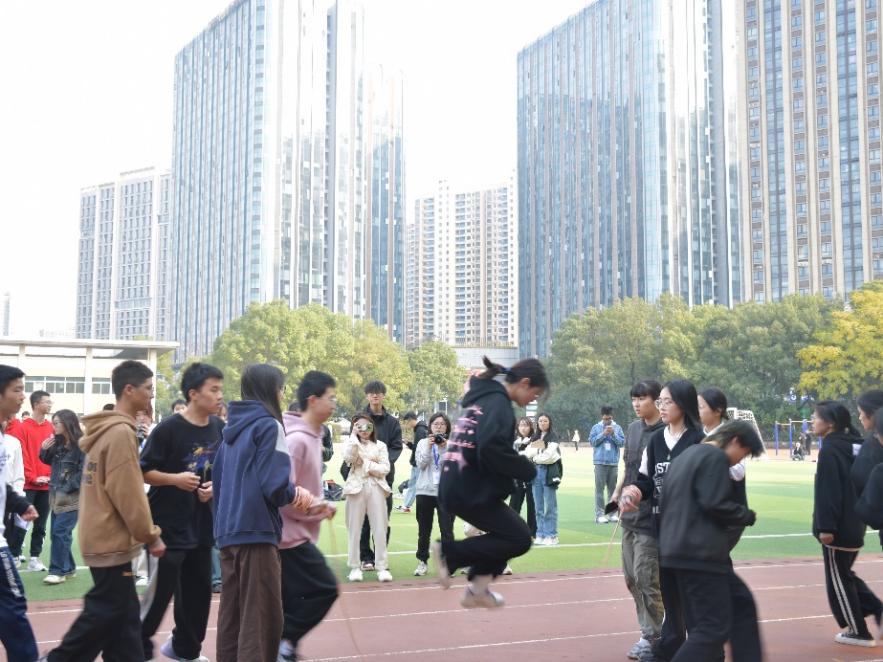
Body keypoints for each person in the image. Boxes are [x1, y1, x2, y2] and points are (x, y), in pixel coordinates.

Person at [47, 360, 167, 662]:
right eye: (148, 388)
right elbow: (128, 493)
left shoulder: (106, 430)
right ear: (129, 390)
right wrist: (150, 535)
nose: (152, 395)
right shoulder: (120, 434)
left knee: (124, 622)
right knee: (105, 612)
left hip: (101, 534)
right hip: (111, 539)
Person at [212, 364, 318, 662]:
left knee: (232, 616)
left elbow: (217, 483)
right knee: (261, 619)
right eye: (281, 389)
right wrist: (296, 494)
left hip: (228, 533)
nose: (282, 395)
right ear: (272, 390)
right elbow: (275, 485)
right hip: (256, 532)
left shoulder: (230, 431)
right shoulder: (269, 426)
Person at [436, 356, 548, 609]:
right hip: (467, 488)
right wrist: (525, 468)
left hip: (457, 484)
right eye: (535, 394)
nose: (533, 400)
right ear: (524, 383)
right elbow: (490, 447)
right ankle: (449, 554)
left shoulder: (484, 399)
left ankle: (478, 589)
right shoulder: (498, 404)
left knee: (508, 535)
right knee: (519, 538)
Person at [654, 421, 762, 662]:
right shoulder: (715, 457)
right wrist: (745, 515)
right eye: (743, 453)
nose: (739, 461)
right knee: (712, 628)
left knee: (741, 602)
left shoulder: (684, 456)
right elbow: (714, 503)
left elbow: (665, 502)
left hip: (675, 551)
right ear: (734, 441)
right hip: (699, 554)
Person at [139, 362, 225, 662]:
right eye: (213, 389)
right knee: (159, 596)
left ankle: (186, 651)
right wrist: (175, 479)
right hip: (167, 525)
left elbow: (224, 470)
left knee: (198, 595)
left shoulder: (219, 428)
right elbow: (143, 471)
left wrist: (214, 487)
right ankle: (133, 649)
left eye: (220, 389)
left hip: (201, 524)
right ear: (193, 394)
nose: (219, 395)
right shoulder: (168, 429)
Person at [620, 379, 705, 662]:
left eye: (667, 401)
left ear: (683, 405)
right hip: (662, 529)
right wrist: (633, 491)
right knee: (668, 591)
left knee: (690, 594)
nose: (662, 407)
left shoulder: (699, 441)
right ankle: (671, 643)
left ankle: (702, 648)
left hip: (690, 533)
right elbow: (645, 480)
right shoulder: (656, 441)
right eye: (661, 402)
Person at [278, 371, 339, 662]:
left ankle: (283, 646)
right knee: (325, 589)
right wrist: (316, 506)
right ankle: (281, 640)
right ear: (313, 400)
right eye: (331, 398)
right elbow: (284, 492)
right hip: (288, 537)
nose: (334, 404)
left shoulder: (314, 437)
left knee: (291, 599)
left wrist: (319, 505)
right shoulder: (297, 441)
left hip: (296, 533)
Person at [812, 400, 883, 647]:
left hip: (837, 526)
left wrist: (826, 527)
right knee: (845, 573)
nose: (812, 421)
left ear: (830, 423)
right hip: (856, 522)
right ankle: (877, 609)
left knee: (839, 579)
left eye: (816, 417)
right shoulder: (860, 445)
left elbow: (828, 491)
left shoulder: (830, 449)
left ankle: (858, 631)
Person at [613, 380, 665, 661]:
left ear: (657, 400)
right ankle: (650, 630)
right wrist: (617, 492)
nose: (636, 404)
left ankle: (654, 636)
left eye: (642, 398)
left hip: (651, 518)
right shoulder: (633, 429)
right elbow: (629, 467)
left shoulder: (665, 433)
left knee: (646, 577)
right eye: (634, 398)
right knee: (631, 578)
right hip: (628, 515)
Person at [0, 365, 40, 662]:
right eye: (17, 389)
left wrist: (19, 504)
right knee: (12, 602)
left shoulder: (5, 438)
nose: (22, 396)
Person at [6, 389, 53, 571]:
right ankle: (15, 555)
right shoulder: (22, 427)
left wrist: (48, 477)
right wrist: (33, 477)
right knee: (21, 522)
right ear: (36, 404)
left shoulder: (51, 428)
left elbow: (54, 456)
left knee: (40, 525)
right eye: (47, 401)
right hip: (27, 484)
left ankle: (35, 558)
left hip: (46, 485)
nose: (50, 404)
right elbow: (22, 457)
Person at [357, 381, 401, 572]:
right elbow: (354, 445)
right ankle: (366, 557)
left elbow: (396, 447)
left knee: (382, 520)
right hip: (363, 477)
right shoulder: (359, 420)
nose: (375, 396)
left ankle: (380, 557)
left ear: (383, 395)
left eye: (378, 393)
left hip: (384, 479)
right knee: (364, 521)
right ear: (367, 396)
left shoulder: (392, 422)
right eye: (371, 393)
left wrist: (381, 464)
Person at [343, 413, 392, 582]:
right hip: (355, 488)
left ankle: (382, 567)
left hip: (376, 487)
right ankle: (355, 567)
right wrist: (353, 436)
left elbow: (385, 468)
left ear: (373, 427)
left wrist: (365, 463)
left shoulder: (380, 445)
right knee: (354, 528)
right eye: (359, 426)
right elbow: (348, 457)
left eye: (367, 426)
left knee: (380, 527)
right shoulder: (351, 443)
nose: (364, 429)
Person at [39, 409, 85, 585]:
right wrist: (44, 450)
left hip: (72, 497)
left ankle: (57, 572)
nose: (54, 426)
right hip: (55, 496)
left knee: (60, 532)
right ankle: (69, 567)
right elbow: (47, 461)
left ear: (67, 423)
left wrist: (66, 487)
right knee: (58, 533)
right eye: (54, 422)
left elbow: (84, 471)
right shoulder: (58, 443)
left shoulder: (81, 444)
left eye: (57, 422)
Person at [413, 412, 454, 577]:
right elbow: (421, 464)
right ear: (430, 426)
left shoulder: (451, 444)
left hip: (445, 492)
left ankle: (448, 563)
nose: (439, 427)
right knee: (424, 530)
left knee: (447, 530)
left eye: (442, 424)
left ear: (447, 427)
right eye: (436, 424)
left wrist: (444, 448)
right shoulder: (422, 443)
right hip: (425, 491)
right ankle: (422, 561)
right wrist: (430, 447)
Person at [522, 412, 562, 546]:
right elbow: (528, 452)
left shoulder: (553, 437)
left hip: (548, 472)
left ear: (549, 422)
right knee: (538, 507)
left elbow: (549, 456)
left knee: (550, 506)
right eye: (540, 421)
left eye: (545, 421)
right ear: (537, 423)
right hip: (536, 473)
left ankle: (552, 535)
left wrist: (535, 457)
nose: (543, 423)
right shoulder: (536, 437)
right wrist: (536, 454)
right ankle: (540, 534)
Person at [850, 390, 883, 548]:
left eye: (861, 412)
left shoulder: (872, 447)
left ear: (873, 414)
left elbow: (860, 483)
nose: (860, 417)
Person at [589, 405, 625, 524]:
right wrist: (603, 434)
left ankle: (612, 513)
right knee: (599, 489)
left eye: (609, 418)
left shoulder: (617, 428)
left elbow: (622, 443)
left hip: (613, 462)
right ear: (601, 417)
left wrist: (613, 434)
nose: (607, 421)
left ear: (612, 417)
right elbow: (592, 442)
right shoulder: (596, 427)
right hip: (600, 462)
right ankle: (599, 515)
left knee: (613, 489)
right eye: (605, 419)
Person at [510, 417, 537, 541]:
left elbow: (534, 455)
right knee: (514, 506)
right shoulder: (514, 441)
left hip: (532, 478)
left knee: (532, 506)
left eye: (526, 425)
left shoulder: (535, 440)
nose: (523, 428)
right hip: (517, 478)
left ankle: (532, 533)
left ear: (531, 427)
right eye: (521, 425)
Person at [397, 411, 426, 514]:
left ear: (410, 420)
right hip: (416, 462)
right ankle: (406, 505)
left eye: (406, 422)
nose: (406, 424)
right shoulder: (419, 429)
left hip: (419, 462)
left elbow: (419, 448)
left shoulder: (420, 430)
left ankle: (407, 506)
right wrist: (409, 444)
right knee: (413, 484)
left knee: (416, 485)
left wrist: (409, 444)